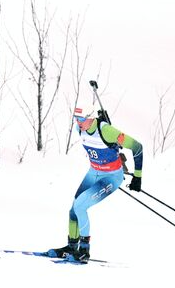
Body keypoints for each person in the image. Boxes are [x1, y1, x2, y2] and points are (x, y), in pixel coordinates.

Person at [46, 104, 144, 263]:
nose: (78, 122)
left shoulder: (106, 130)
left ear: (91, 117)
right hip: (94, 172)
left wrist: (137, 177)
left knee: (80, 206)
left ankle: (84, 251)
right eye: (76, 118)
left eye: (82, 119)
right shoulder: (80, 129)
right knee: (73, 209)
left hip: (111, 177)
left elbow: (137, 147)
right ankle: (72, 247)